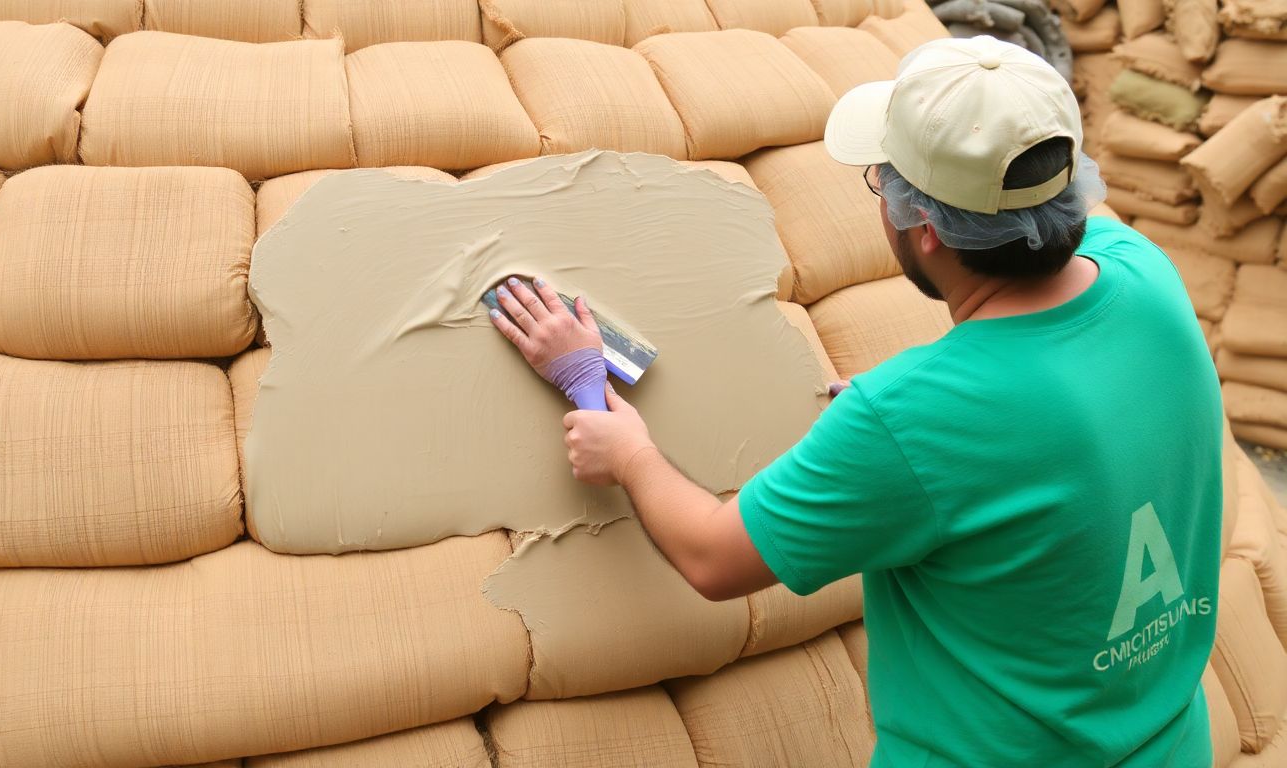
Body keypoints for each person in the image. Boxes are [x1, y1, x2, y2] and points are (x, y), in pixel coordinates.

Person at [488, 36, 1222, 767]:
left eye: (885, 183)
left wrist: (631, 453)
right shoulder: (1143, 271)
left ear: (924, 230)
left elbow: (715, 559)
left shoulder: (910, 413)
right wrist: (903, 441)